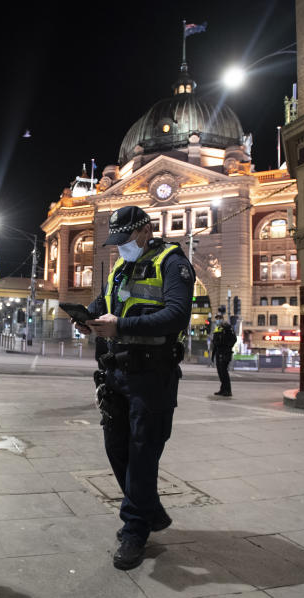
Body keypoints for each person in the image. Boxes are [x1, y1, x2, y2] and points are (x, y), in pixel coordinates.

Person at [75, 205, 194, 571]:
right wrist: (87, 319)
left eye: (124, 239)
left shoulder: (174, 263)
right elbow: (102, 305)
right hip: (116, 375)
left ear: (144, 231)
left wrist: (121, 327)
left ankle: (135, 529)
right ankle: (150, 510)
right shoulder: (119, 267)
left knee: (143, 456)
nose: (119, 247)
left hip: (152, 377)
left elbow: (177, 315)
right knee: (116, 450)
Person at [211, 314, 237, 397]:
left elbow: (234, 339)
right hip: (219, 353)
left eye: (219, 318)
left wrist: (227, 347)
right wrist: (213, 355)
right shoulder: (217, 328)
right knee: (220, 372)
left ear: (222, 319)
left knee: (224, 372)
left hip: (225, 353)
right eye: (217, 318)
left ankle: (228, 391)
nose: (218, 320)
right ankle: (223, 389)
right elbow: (215, 343)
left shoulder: (227, 327)